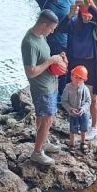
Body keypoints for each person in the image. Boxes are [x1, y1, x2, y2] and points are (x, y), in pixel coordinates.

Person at [21, 9, 66, 165]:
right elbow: (30, 72)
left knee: (43, 118)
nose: (52, 31)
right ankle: (37, 152)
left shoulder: (41, 36)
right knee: (47, 119)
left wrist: (58, 60)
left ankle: (43, 142)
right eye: (51, 28)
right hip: (42, 89)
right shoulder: (30, 43)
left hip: (50, 84)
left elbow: (44, 58)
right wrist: (50, 61)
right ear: (44, 25)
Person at [25, 0, 73, 94]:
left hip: (66, 44)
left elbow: (80, 9)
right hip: (49, 45)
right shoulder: (44, 1)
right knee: (50, 75)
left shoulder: (68, 1)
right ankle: (51, 98)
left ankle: (62, 99)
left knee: (65, 74)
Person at [66, 0, 97, 140]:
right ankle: (80, 123)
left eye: (89, 16)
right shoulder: (74, 22)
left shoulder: (95, 25)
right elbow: (62, 27)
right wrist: (70, 14)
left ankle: (94, 127)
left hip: (91, 63)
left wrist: (87, 5)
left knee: (92, 98)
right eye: (84, 16)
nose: (87, 18)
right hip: (76, 61)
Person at [61, 65, 91, 152]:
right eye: (76, 77)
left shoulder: (85, 88)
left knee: (83, 128)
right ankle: (72, 143)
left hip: (84, 113)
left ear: (84, 79)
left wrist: (83, 109)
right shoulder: (67, 88)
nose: (78, 80)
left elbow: (88, 101)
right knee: (73, 129)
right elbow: (64, 101)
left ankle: (83, 142)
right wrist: (70, 109)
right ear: (71, 76)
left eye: (80, 78)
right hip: (73, 113)